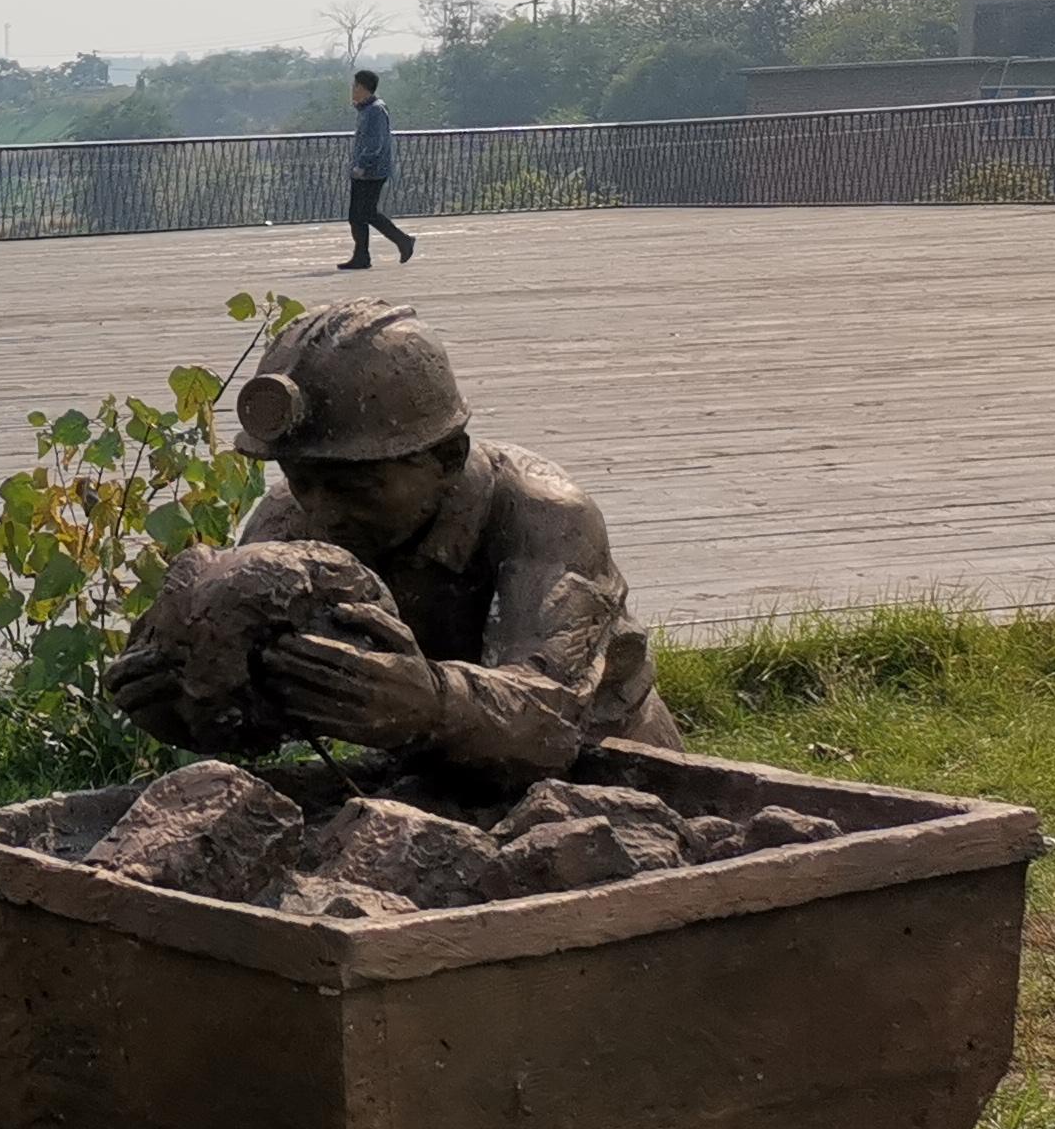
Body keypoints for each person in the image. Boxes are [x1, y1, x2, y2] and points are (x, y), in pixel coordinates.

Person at [107, 299, 682, 787]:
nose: (323, 514)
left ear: (446, 459)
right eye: (301, 478)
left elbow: (549, 714)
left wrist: (429, 702)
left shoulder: (544, 515)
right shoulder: (290, 516)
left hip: (615, 773)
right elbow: (269, 713)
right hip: (429, 775)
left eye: (358, 485)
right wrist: (193, 696)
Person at [342, 70, 416, 268]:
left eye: (354, 86)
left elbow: (376, 143)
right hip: (365, 170)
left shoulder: (375, 110)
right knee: (357, 215)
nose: (352, 90)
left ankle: (403, 241)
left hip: (371, 172)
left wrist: (362, 165)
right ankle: (361, 256)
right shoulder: (367, 109)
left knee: (366, 213)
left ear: (362, 87)